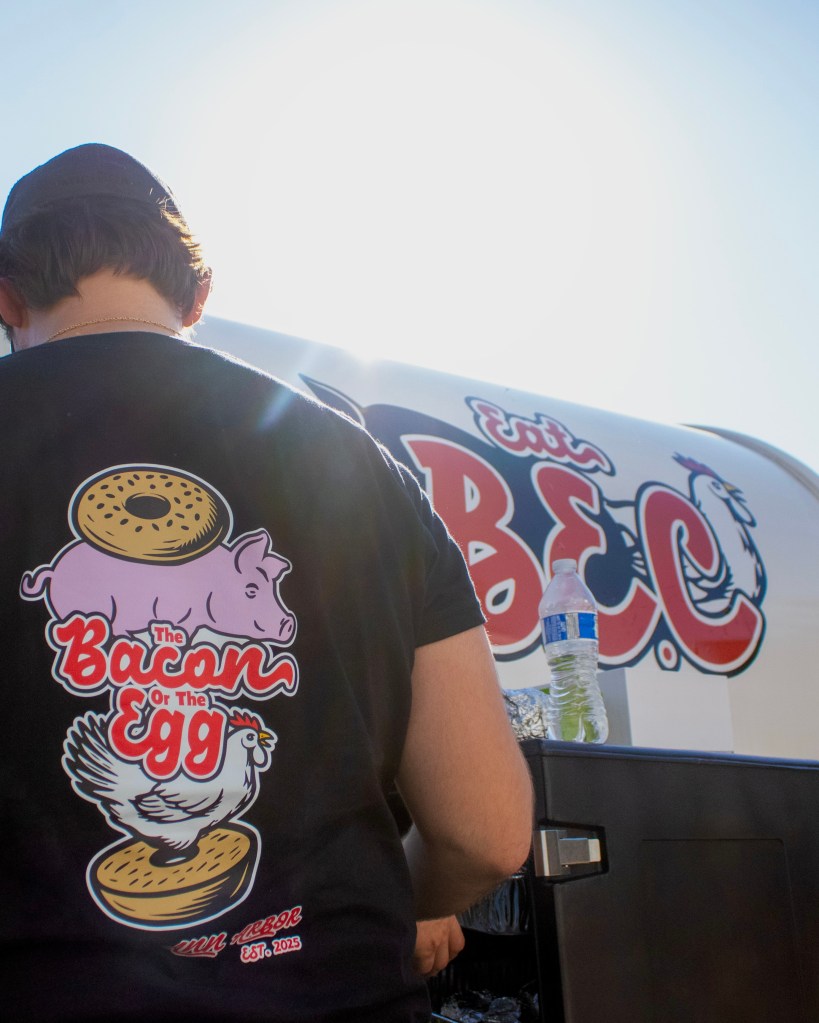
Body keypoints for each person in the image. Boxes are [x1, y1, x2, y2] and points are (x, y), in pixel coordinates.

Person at [0, 144, 533, 1023]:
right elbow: (485, 831)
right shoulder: (363, 468)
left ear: (9, 299)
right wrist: (386, 902)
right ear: (196, 297)